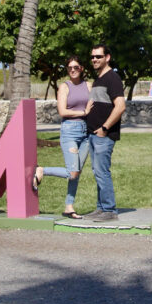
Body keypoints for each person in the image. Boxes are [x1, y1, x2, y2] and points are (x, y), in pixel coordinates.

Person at [33, 56, 90, 219]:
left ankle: (69, 206)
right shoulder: (64, 87)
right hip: (70, 131)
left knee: (77, 172)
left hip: (86, 133)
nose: (72, 69)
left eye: (76, 67)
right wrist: (83, 113)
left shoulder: (89, 86)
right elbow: (62, 111)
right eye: (69, 67)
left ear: (82, 68)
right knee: (72, 172)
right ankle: (42, 170)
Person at [84, 43, 126, 222]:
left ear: (107, 58)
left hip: (104, 135)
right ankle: (101, 208)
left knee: (102, 172)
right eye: (93, 56)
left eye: (98, 56)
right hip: (93, 134)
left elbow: (120, 106)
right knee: (97, 171)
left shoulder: (112, 78)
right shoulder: (98, 79)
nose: (94, 59)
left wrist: (105, 128)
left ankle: (109, 210)